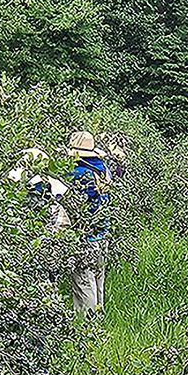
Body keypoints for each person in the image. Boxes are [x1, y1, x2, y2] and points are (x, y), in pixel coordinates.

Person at [67, 131, 112, 318]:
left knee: (84, 282)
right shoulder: (103, 170)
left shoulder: (78, 173)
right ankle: (99, 318)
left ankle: (87, 327)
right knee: (97, 280)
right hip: (103, 233)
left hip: (86, 236)